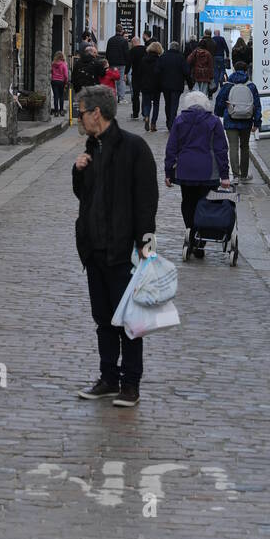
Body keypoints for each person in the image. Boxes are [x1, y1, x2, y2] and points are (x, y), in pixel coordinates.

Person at [73, 85, 158, 407]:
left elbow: (147, 202)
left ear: (97, 113)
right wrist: (78, 171)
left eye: (81, 113)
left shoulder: (134, 148)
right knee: (104, 319)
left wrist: (145, 249)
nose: (79, 119)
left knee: (130, 322)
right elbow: (85, 197)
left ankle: (130, 384)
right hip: (94, 250)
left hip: (124, 252)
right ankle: (108, 378)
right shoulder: (91, 148)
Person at [164, 90, 230, 258]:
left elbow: (171, 148)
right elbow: (221, 149)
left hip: (186, 170)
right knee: (206, 204)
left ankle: (191, 233)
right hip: (209, 171)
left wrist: (169, 171)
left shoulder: (180, 120)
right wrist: (225, 175)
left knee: (188, 202)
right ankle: (201, 239)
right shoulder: (214, 122)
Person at [214, 60, 262, 181]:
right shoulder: (251, 85)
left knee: (233, 146)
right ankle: (244, 175)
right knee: (245, 147)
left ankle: (235, 175)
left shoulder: (228, 84)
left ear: (234, 70)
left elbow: (219, 101)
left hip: (231, 119)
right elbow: (257, 104)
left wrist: (220, 114)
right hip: (246, 120)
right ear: (246, 71)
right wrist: (257, 122)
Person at [157, 41, 190, 129]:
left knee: (167, 104)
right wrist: (190, 83)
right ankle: (172, 123)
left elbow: (157, 70)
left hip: (165, 85)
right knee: (174, 104)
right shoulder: (181, 58)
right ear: (178, 48)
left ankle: (168, 121)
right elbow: (186, 72)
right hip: (177, 85)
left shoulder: (163, 57)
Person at [139, 40, 163, 131]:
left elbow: (140, 72)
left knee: (146, 103)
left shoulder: (143, 59)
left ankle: (146, 116)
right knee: (156, 104)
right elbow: (161, 73)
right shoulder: (159, 60)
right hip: (156, 85)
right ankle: (153, 124)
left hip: (145, 84)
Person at [105, 26, 130, 102]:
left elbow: (107, 52)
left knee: (113, 80)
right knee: (121, 80)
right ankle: (121, 98)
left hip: (112, 63)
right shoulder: (124, 41)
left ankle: (113, 97)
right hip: (121, 63)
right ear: (122, 31)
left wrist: (109, 61)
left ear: (115, 30)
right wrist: (127, 63)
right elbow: (126, 54)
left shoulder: (110, 40)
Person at [127, 35, 145, 119]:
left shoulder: (132, 51)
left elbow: (129, 63)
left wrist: (126, 72)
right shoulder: (146, 49)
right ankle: (145, 112)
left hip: (136, 75)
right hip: (144, 75)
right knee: (145, 94)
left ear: (134, 43)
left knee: (136, 95)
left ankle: (135, 113)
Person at [51, 50, 69, 116]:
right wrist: (66, 81)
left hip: (54, 81)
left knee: (56, 96)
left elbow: (51, 72)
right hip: (61, 81)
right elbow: (66, 74)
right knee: (61, 96)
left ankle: (56, 112)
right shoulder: (63, 64)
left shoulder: (53, 64)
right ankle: (61, 111)